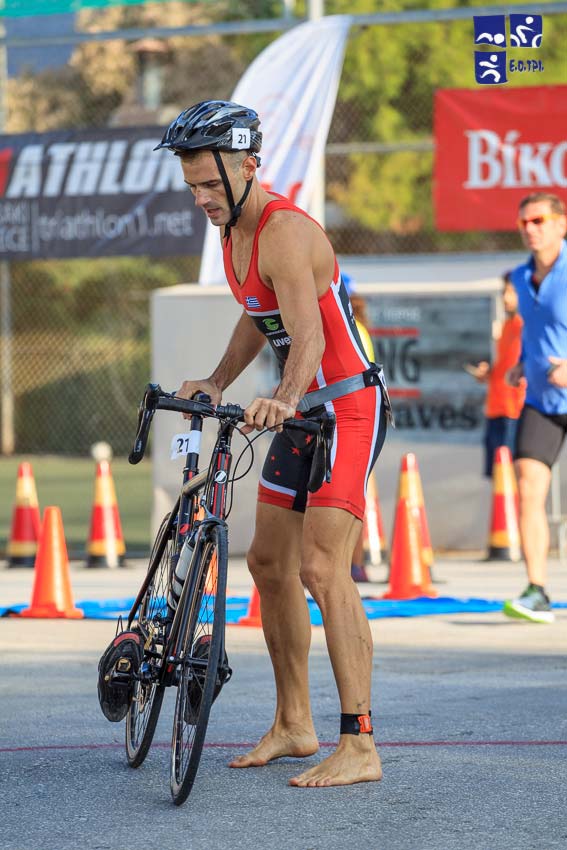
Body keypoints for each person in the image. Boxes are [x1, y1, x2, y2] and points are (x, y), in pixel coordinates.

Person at [155, 101, 391, 786]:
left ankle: (360, 744)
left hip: (345, 408)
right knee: (267, 562)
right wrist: (216, 380)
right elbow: (258, 316)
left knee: (321, 568)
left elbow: (308, 337)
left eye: (209, 184)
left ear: (248, 167)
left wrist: (284, 397)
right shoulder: (234, 234)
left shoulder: (285, 232)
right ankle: (293, 724)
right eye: (191, 186)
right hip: (301, 414)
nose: (201, 199)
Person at [504, 192, 567, 624]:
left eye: (539, 220)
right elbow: (537, 329)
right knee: (528, 486)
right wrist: (521, 363)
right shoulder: (521, 276)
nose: (530, 229)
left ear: (561, 224)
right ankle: (537, 590)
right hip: (541, 401)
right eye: (524, 222)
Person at [467, 274, 525, 478]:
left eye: (512, 292)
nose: (506, 297)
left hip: (515, 410)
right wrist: (489, 372)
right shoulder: (507, 326)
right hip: (495, 408)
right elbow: (506, 364)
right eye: (504, 292)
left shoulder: (527, 326)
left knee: (513, 476)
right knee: (498, 477)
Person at [342, 273, 379, 582]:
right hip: (355, 421)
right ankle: (352, 565)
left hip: (348, 421)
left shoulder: (351, 330)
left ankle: (352, 564)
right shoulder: (358, 329)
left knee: (347, 498)